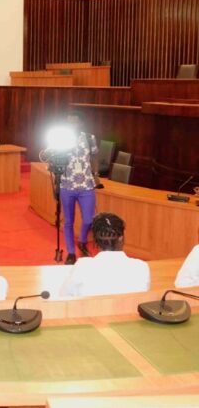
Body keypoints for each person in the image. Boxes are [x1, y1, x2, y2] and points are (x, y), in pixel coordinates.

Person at [59, 213, 150, 297]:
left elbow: (64, 296)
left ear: (95, 241)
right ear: (121, 238)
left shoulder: (82, 266)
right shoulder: (141, 267)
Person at [57, 111, 99, 265]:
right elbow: (53, 158)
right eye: (68, 121)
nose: (70, 124)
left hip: (86, 184)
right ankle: (71, 252)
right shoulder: (61, 139)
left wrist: (95, 173)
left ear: (80, 123)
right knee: (68, 221)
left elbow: (94, 156)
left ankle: (82, 240)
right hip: (67, 184)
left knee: (89, 219)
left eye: (73, 121)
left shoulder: (89, 138)